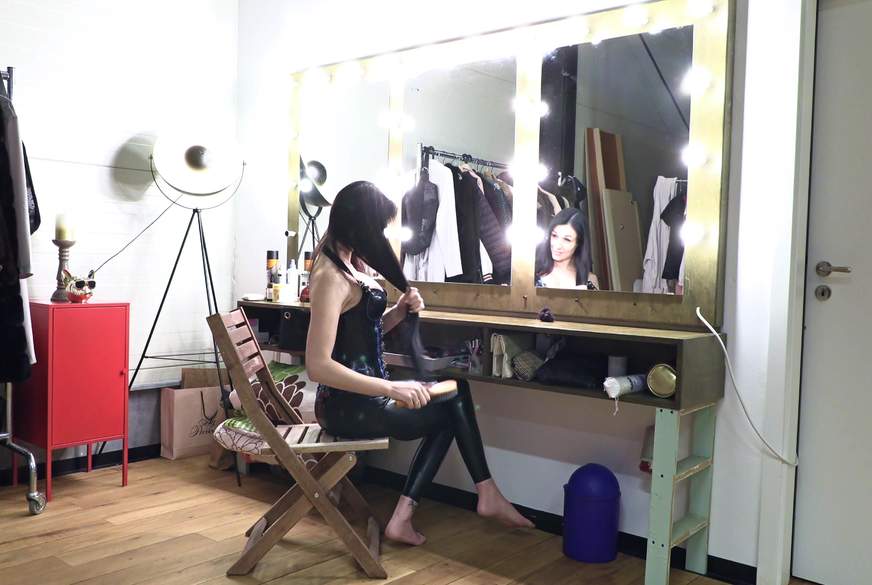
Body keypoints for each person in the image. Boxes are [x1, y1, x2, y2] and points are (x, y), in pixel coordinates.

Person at [305, 181, 533, 546]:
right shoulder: (329, 277)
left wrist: (398, 312)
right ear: (358, 224)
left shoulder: (347, 264)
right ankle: (469, 498)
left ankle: (436, 508)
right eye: (377, 228)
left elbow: (360, 333)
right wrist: (392, 388)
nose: (379, 236)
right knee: (453, 407)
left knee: (453, 400)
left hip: (365, 399)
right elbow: (318, 365)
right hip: (347, 408)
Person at [535, 207, 600, 290]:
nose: (558, 246)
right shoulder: (532, 272)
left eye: (567, 239)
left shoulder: (589, 280)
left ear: (578, 243)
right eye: (554, 235)